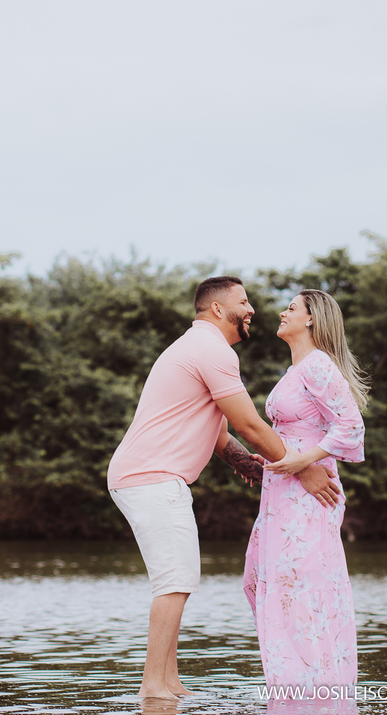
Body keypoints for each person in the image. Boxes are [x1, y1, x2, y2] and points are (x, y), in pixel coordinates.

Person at [107, 276, 342, 701]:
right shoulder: (212, 350)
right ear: (218, 309)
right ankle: (153, 688)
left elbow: (219, 431)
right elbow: (250, 425)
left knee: (178, 580)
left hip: (150, 477)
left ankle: (170, 685)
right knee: (175, 582)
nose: (252, 309)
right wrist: (300, 469)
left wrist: (242, 463)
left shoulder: (197, 347)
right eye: (244, 301)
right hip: (152, 477)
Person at [244, 289, 368, 698]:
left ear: (312, 319)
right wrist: (270, 460)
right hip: (280, 492)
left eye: (292, 308)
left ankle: (314, 688)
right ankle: (293, 683)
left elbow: (351, 426)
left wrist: (303, 461)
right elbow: (288, 432)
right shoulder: (294, 370)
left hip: (309, 495)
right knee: (261, 579)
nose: (282, 313)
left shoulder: (317, 365)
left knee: (299, 584)